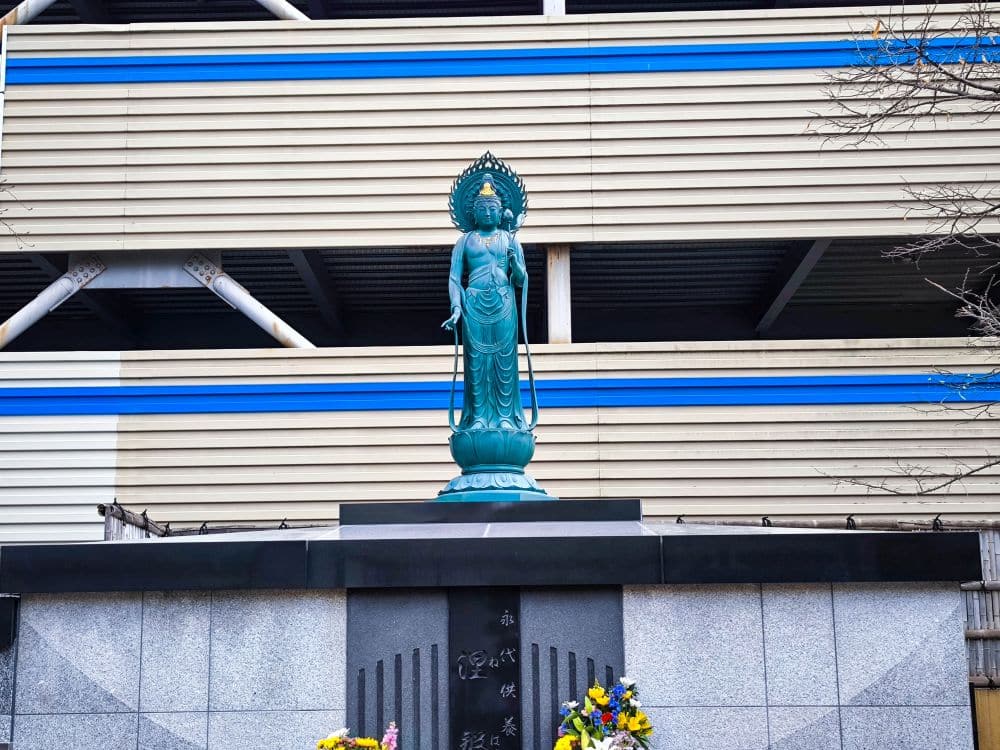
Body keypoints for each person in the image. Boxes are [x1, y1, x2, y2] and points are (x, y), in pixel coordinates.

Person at [441, 175, 528, 432]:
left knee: (504, 361)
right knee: (476, 363)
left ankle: (504, 416)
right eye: (482, 209)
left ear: (501, 212)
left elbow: (521, 280)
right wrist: (456, 307)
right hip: (474, 305)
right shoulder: (465, 241)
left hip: (503, 302)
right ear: (473, 213)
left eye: (492, 208)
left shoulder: (510, 239)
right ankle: (478, 416)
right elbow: (455, 279)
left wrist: (514, 263)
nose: (488, 213)